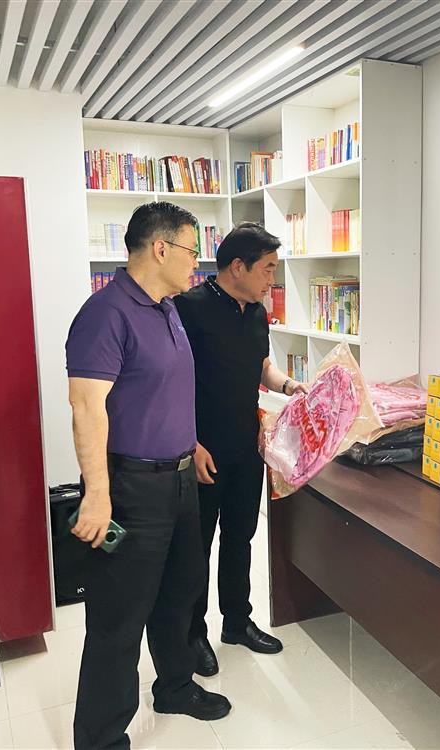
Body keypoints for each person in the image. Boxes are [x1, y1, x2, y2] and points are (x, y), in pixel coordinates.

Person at [66, 202, 231, 750]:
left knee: (179, 594)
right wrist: (97, 495)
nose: (198, 263)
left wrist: (191, 442)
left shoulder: (167, 308)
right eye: (192, 250)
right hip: (132, 488)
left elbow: (162, 390)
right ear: (160, 248)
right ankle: (101, 736)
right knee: (118, 617)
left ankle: (175, 686)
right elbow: (86, 407)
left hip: (181, 480)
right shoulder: (106, 314)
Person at [175, 222, 307, 677]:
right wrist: (190, 443)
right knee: (197, 546)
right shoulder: (188, 308)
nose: (272, 279)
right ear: (237, 266)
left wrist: (289, 386)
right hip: (202, 451)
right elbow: (172, 382)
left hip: (246, 445)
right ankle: (193, 635)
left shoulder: (255, 311)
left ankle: (236, 622)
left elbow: (260, 365)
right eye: (267, 268)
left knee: (240, 537)